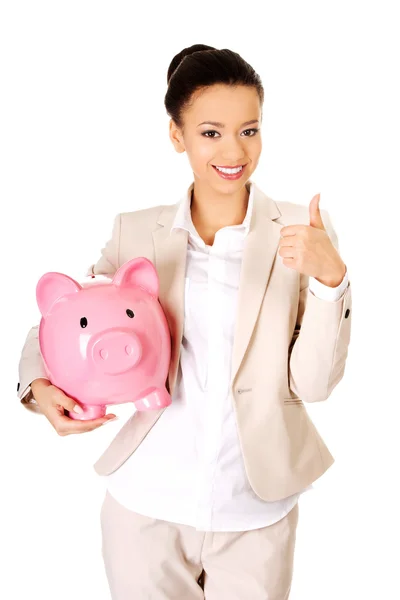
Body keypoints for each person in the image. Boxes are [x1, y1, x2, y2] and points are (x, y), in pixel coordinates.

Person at [17, 44, 352, 599]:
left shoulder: (301, 231)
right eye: (211, 132)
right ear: (177, 136)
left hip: (255, 509)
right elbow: (61, 319)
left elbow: (314, 385)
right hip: (144, 506)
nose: (235, 151)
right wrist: (36, 386)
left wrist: (330, 280)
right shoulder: (136, 232)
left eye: (250, 130)